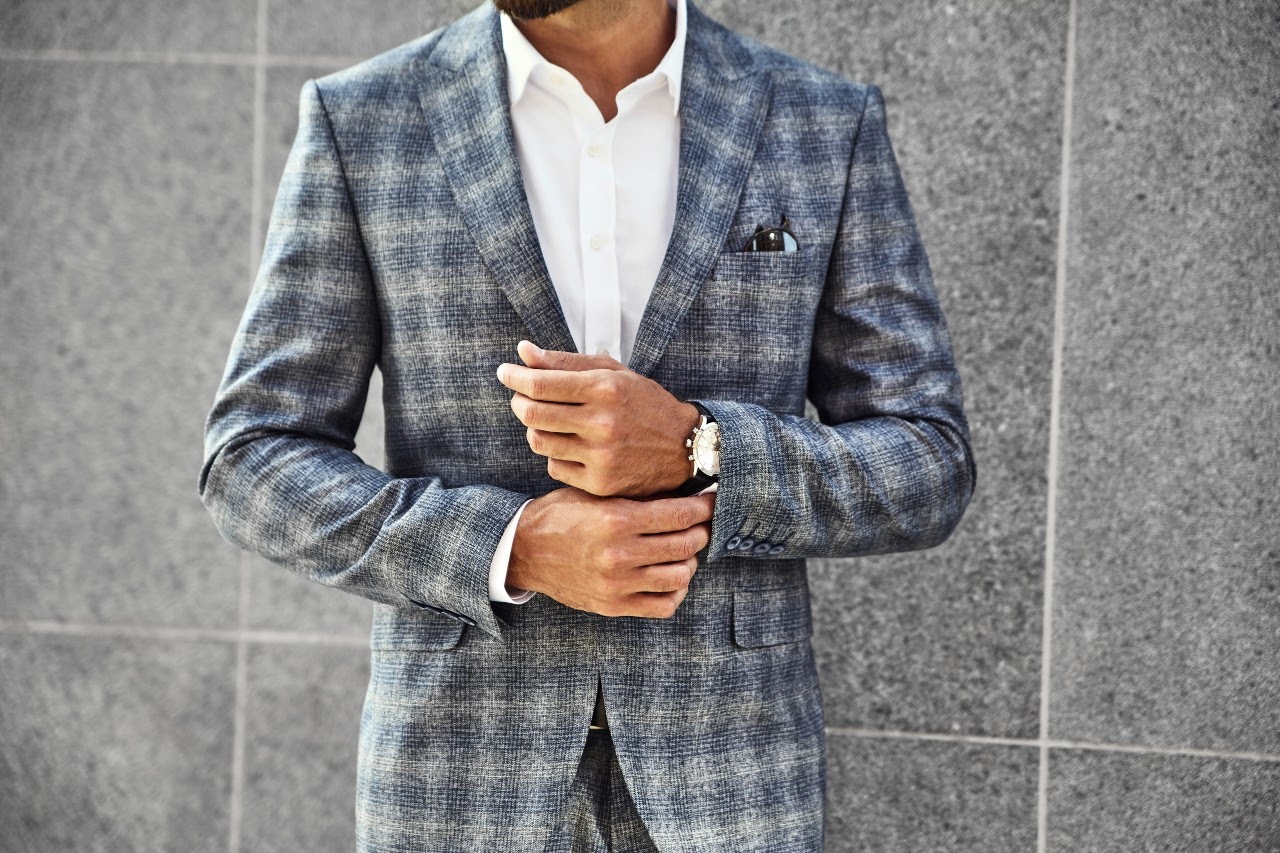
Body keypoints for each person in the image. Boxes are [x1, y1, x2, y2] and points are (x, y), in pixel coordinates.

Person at [198, 0, 976, 848]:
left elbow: (928, 460)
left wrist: (701, 448)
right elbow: (251, 458)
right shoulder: (367, 120)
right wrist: (510, 544)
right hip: (457, 783)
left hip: (734, 782)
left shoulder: (820, 121)